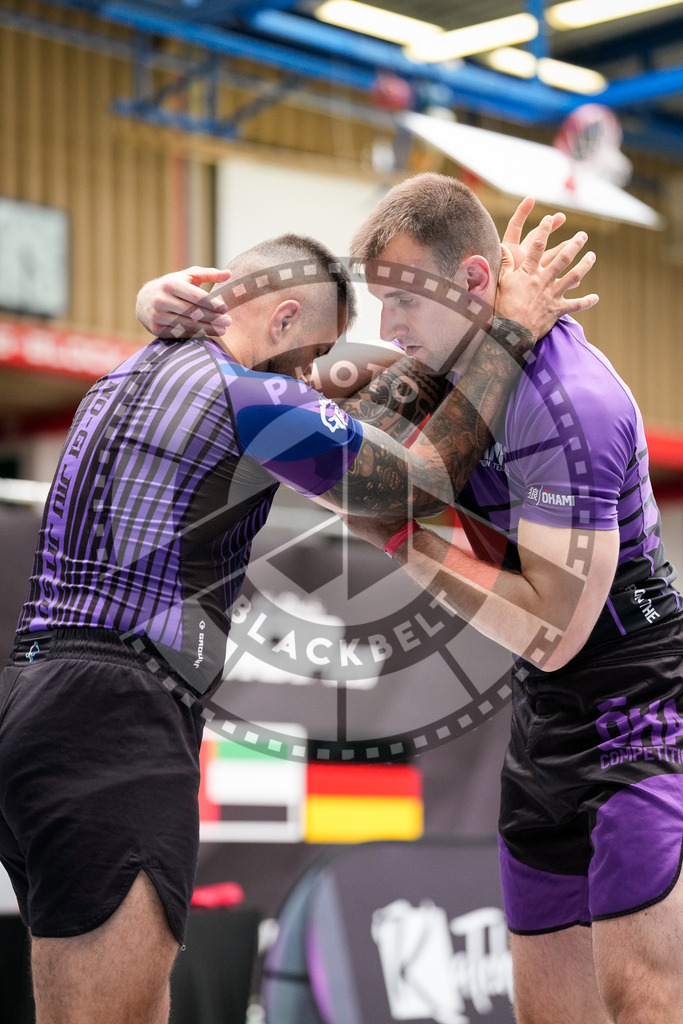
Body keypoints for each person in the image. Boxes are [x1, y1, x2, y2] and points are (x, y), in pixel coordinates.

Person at [0, 216, 595, 1024]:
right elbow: (415, 485)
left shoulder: (126, 372)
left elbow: (191, 317)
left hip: (32, 703)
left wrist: (153, 297)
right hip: (118, 718)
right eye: (311, 357)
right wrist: (512, 336)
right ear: (281, 321)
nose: (313, 381)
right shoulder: (252, 397)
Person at [330, 175, 682, 1024]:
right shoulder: (450, 374)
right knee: (546, 1011)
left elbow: (556, 631)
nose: (388, 327)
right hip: (544, 714)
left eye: (403, 299)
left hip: (634, 702)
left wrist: (407, 536)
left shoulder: (576, 405)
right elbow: (331, 407)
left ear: (477, 283)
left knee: (641, 997)